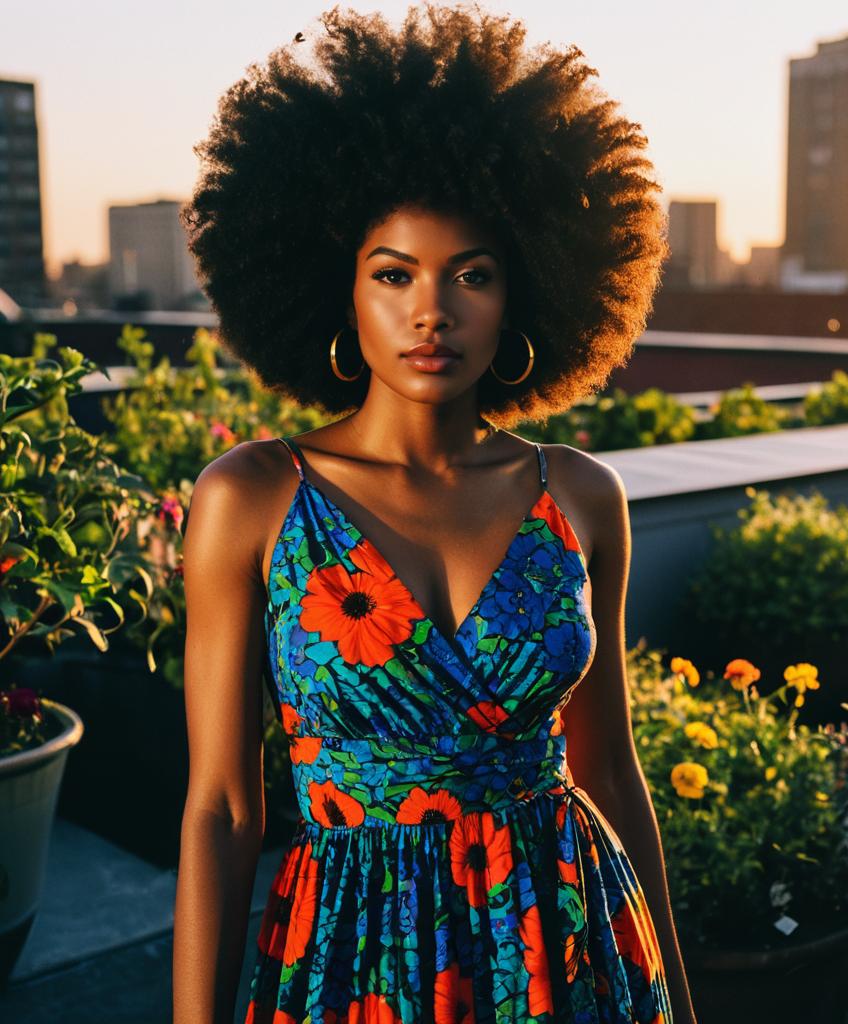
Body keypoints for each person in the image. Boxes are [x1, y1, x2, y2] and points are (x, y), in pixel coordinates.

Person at [171, 4, 698, 1022]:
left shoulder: (581, 496)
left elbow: (611, 770)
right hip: (357, 948)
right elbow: (222, 807)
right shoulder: (252, 497)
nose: (432, 312)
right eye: (393, 274)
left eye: (473, 274)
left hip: (566, 938)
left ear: (523, 293)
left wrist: (674, 996)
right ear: (340, 288)